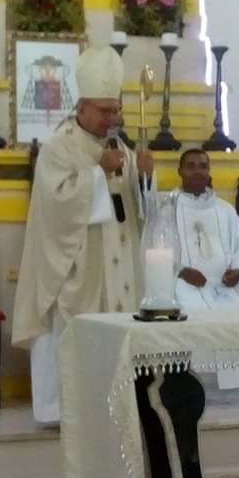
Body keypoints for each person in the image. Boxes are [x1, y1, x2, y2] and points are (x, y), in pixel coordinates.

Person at [11, 47, 154, 425]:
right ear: (83, 106)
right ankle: (61, 411)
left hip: (118, 266)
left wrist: (143, 177)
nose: (112, 118)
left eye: (116, 109)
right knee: (71, 335)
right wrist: (97, 175)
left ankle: (116, 403)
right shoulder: (58, 147)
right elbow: (55, 204)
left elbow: (137, 209)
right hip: (78, 267)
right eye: (105, 111)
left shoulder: (118, 146)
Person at [173, 149, 239, 402]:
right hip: (185, 284)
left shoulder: (224, 210)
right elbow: (156, 246)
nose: (198, 171)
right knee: (196, 316)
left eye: (203, 166)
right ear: (180, 171)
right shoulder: (168, 207)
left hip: (226, 284)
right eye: (191, 166)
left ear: (209, 171)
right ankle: (203, 391)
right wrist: (181, 270)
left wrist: (238, 271)